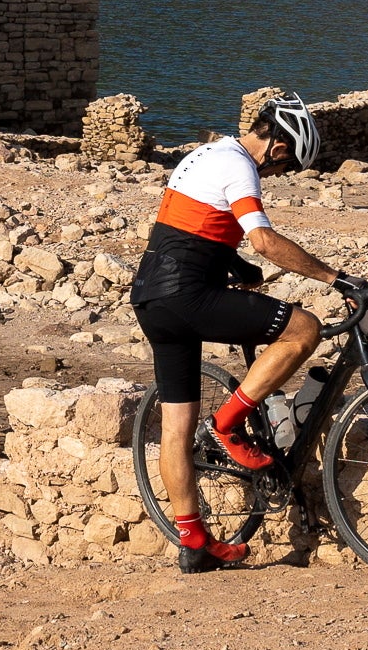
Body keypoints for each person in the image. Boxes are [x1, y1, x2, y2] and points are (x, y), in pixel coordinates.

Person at [130, 95, 348, 572]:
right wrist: (336, 279)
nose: (278, 172)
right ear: (278, 146)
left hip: (151, 298)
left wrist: (233, 263)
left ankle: (194, 544)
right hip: (189, 295)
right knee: (304, 328)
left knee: (175, 430)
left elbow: (189, 227)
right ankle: (227, 424)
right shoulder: (240, 165)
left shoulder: (204, 155)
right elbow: (264, 239)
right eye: (284, 164)